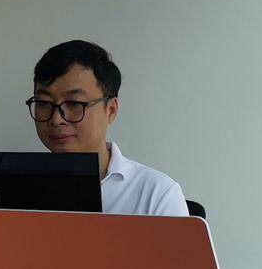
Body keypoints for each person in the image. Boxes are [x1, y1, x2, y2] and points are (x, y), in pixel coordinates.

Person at [27, 40, 189, 217]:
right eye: (44, 103)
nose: (56, 119)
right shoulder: (17, 186)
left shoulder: (156, 194)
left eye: (74, 103)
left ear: (111, 110)